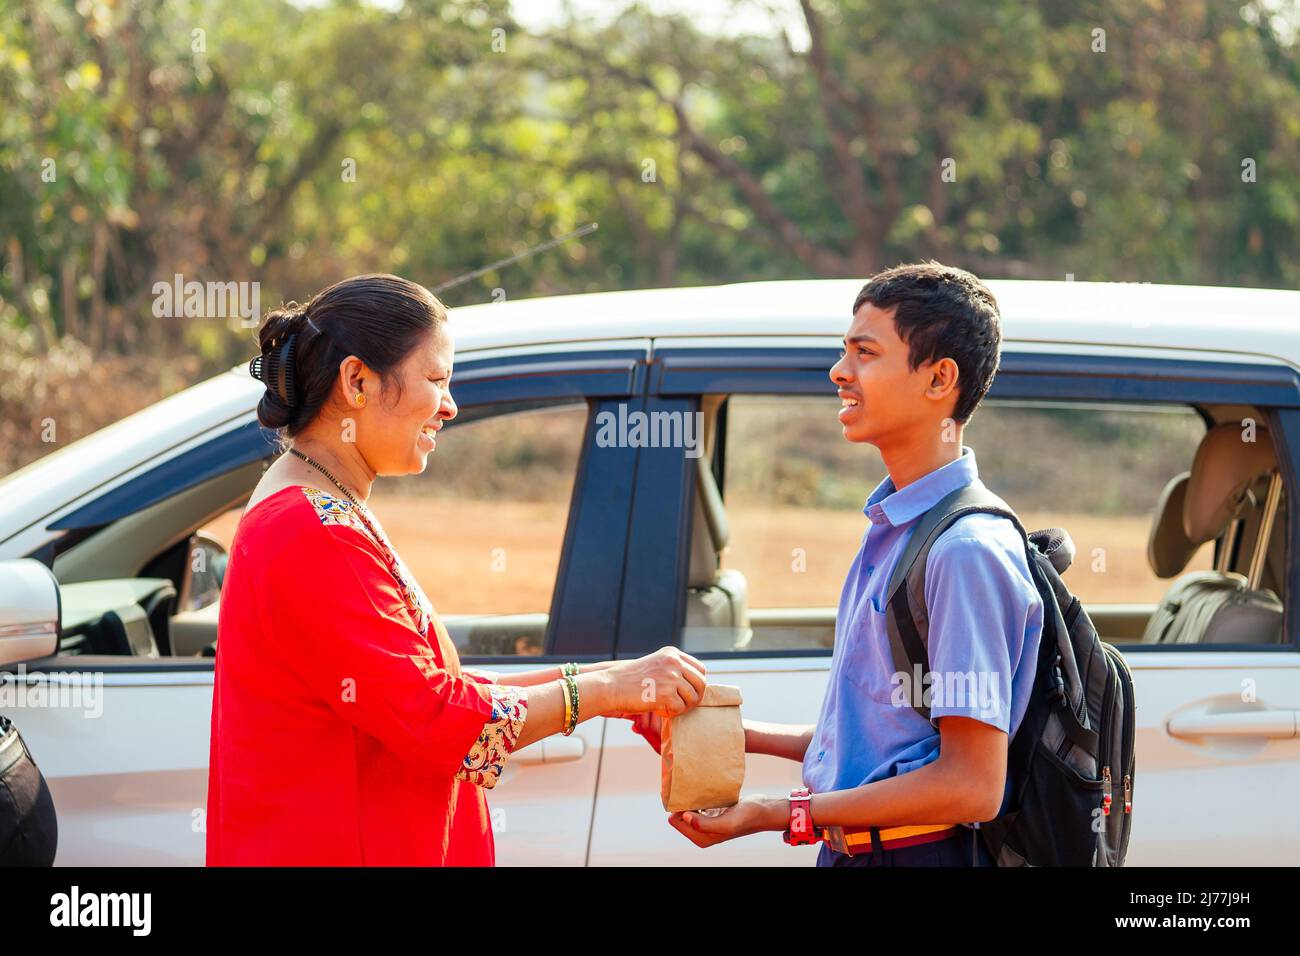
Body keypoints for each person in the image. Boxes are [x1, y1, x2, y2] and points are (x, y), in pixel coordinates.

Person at [207, 273, 707, 866]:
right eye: (437, 380)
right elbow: (440, 721)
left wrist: (616, 683)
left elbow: (428, 695)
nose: (449, 405)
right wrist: (599, 691)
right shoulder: (309, 527)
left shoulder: (322, 508)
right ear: (357, 381)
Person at [629, 262, 1044, 866]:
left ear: (939, 379)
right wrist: (725, 734)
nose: (839, 372)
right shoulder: (898, 531)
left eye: (865, 353)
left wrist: (785, 812)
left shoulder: (964, 551)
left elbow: (970, 786)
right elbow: (876, 739)